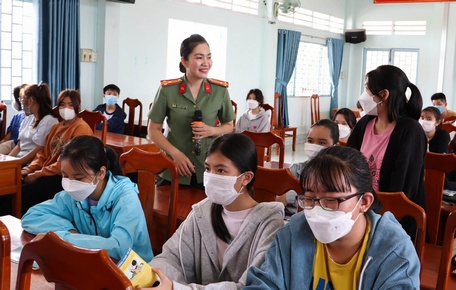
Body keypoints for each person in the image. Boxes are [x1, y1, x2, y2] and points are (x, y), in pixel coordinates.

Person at [245, 146, 420, 289]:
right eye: (310, 198)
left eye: (331, 200)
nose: (318, 209)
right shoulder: (293, 233)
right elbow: (264, 284)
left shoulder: (394, 251)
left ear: (364, 202)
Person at [142, 133, 284, 289]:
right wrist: (155, 278)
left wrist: (176, 288)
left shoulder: (270, 225)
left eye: (221, 170)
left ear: (246, 178)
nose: (211, 176)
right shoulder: (202, 212)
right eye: (208, 168)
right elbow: (170, 257)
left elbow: (249, 286)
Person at [21, 135, 153, 261]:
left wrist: (62, 237)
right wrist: (70, 231)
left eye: (79, 178)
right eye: (65, 176)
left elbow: (119, 247)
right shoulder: (73, 195)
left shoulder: (125, 199)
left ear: (101, 173)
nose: (71, 183)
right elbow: (31, 216)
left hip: (133, 272)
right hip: (94, 261)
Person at [347, 65, 426, 237]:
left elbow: (401, 193)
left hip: (391, 222)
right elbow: (347, 165)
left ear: (383, 95)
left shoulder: (410, 131)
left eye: (367, 90)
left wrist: (369, 218)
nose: (363, 96)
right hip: (359, 211)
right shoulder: (365, 124)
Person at [148, 34, 235, 187]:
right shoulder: (168, 90)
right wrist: (175, 154)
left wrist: (211, 130)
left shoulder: (220, 91)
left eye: (209, 57)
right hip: (172, 168)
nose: (206, 63)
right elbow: (153, 129)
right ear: (184, 61)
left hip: (208, 169)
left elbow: (229, 125)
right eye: (199, 58)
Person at [16, 89, 93, 215]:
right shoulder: (56, 127)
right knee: (13, 185)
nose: (66, 108)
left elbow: (64, 164)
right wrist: (29, 169)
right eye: (62, 104)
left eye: (70, 104)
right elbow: (43, 154)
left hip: (63, 177)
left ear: (78, 107)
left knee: (22, 193)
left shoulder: (80, 128)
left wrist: (36, 175)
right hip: (46, 172)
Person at [278, 119, 339, 215]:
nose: (314, 146)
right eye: (310, 141)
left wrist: (291, 196)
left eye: (321, 143)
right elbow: (279, 199)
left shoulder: (339, 177)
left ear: (335, 146)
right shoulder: (295, 170)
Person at [8, 82, 58, 165]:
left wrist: (16, 163)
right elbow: (19, 146)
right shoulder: (28, 119)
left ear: (31, 100)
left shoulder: (49, 121)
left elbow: (39, 149)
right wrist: (7, 162)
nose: (22, 103)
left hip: (31, 164)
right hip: (19, 160)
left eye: (23, 100)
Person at [0, 84, 28, 154]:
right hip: (11, 145)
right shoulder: (16, 117)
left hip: (19, 147)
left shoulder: (30, 118)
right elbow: (7, 138)